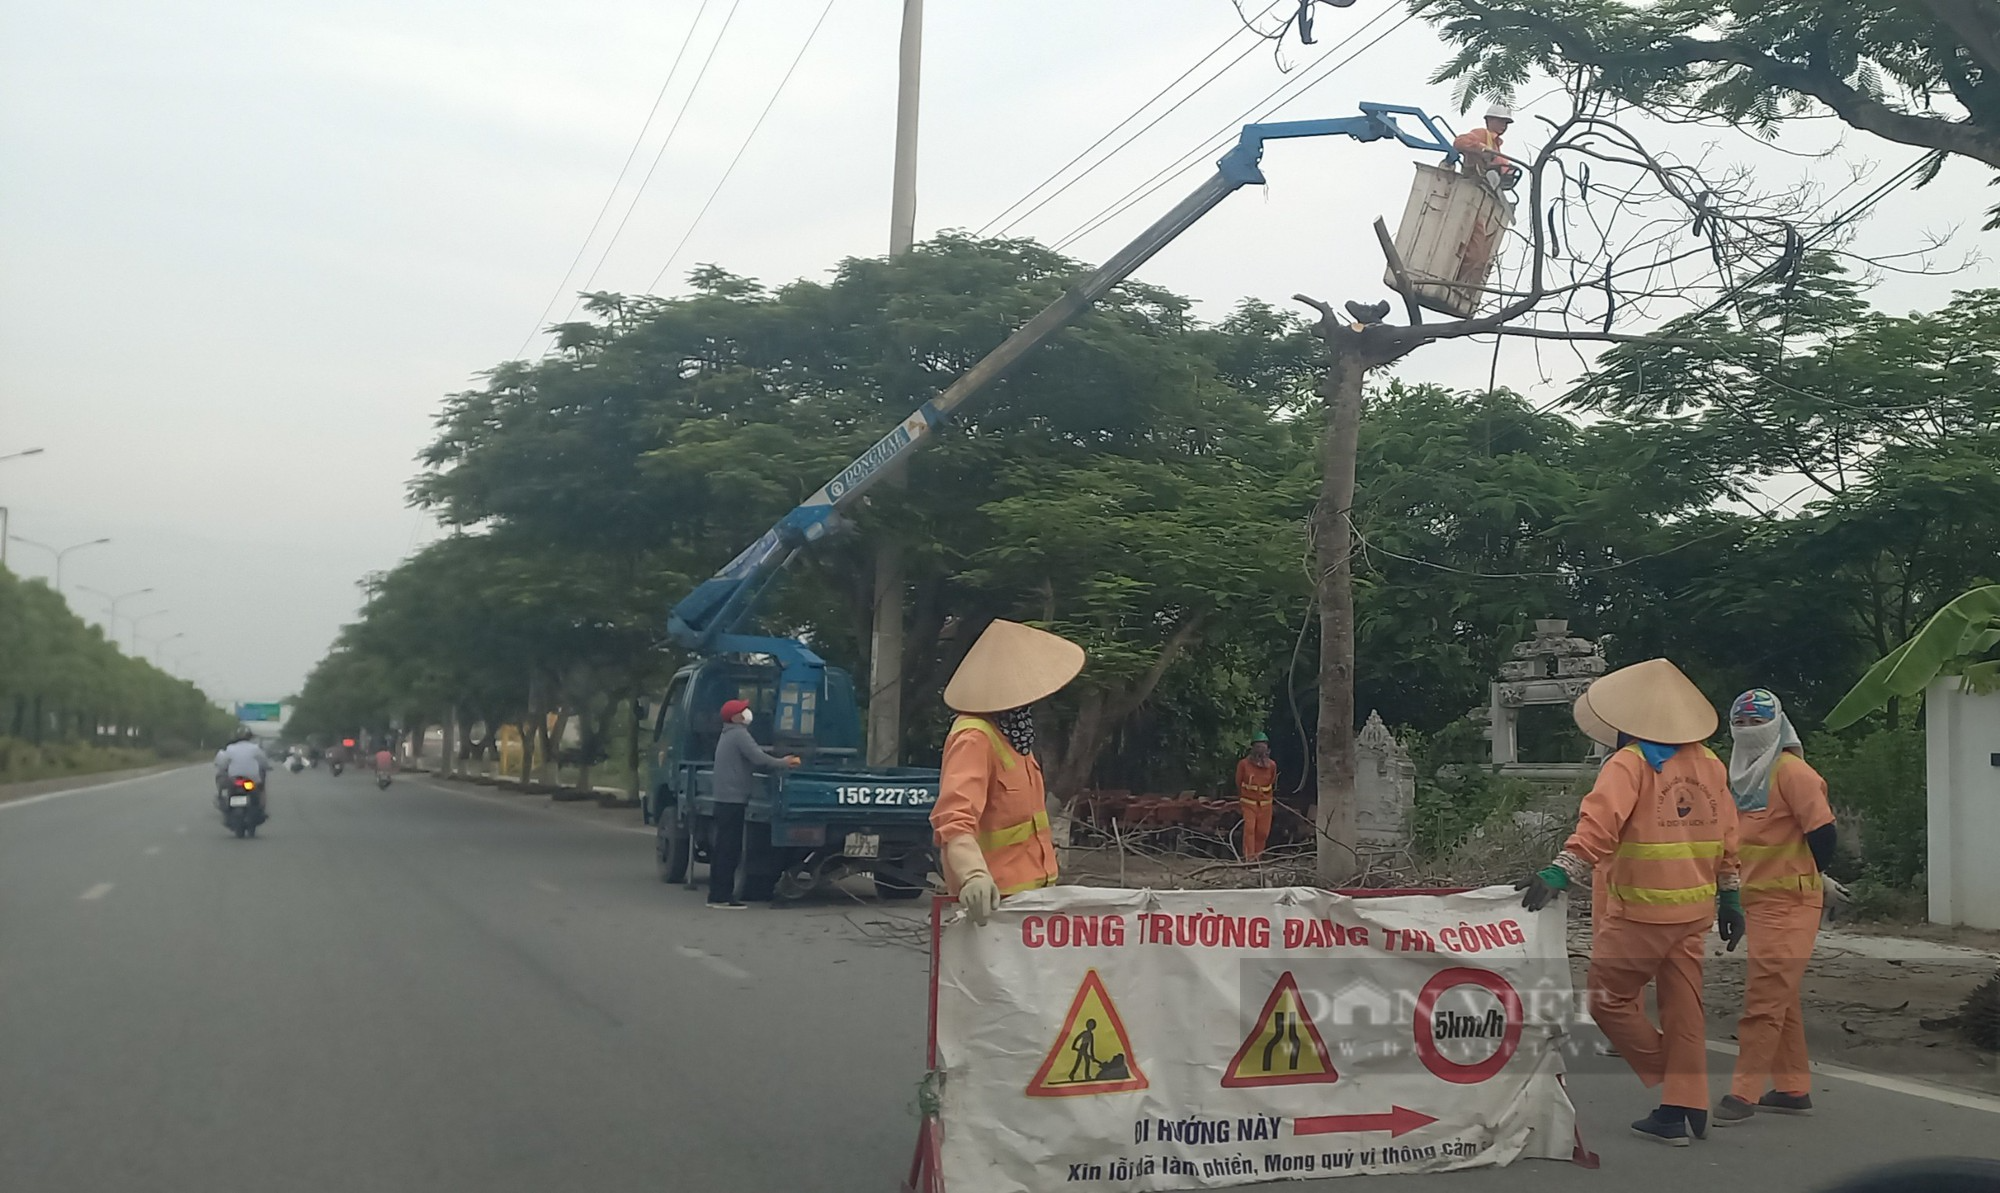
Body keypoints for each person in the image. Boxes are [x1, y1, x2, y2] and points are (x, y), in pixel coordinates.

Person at [1515, 658, 1741, 1146]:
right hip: (1695, 912)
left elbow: (1599, 825)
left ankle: (1680, 1088)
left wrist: (1563, 870)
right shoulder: (1710, 764)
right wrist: (1731, 896)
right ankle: (1683, 1103)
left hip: (1642, 910)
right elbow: (1728, 837)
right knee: (1685, 1009)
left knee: (1606, 998)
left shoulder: (1630, 763)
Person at [1714, 688, 1843, 1126]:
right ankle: (1792, 1088)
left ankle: (1743, 1093)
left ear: (1776, 726)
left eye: (1757, 722)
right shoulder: (1741, 776)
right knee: (1779, 998)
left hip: (1791, 903)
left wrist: (1810, 877)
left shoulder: (1793, 773)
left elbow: (1824, 835)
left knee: (1764, 999)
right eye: (1741, 723)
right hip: (1757, 901)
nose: (1748, 730)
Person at [930, 619, 1086, 925]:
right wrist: (973, 875)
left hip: (1032, 900)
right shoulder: (974, 737)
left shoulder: (1014, 736)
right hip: (993, 906)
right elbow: (954, 821)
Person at [708, 698, 800, 909]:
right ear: (735, 717)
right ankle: (722, 897)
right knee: (729, 850)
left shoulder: (728, 734)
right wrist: (784, 762)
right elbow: (758, 758)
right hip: (733, 800)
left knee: (723, 849)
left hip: (724, 799)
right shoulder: (739, 734)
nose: (748, 712)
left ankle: (717, 894)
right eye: (743, 710)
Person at [1235, 732, 1278, 861]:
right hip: (1248, 802)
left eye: (1263, 746)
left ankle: (1258, 858)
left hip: (1265, 804)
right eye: (1258, 746)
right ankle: (1249, 859)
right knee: (1249, 830)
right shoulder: (1243, 764)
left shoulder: (1272, 765)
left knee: (1263, 832)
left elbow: (1272, 781)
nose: (1261, 750)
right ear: (1252, 748)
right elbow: (1238, 782)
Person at [1452, 102, 1517, 183]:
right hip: (1474, 180)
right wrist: (1481, 149)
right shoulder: (1482, 134)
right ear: (1489, 120)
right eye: (1501, 121)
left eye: (1506, 123)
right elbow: (1459, 142)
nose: (1504, 125)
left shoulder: (1496, 144)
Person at [214, 727, 272, 804]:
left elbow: (223, 763)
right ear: (250, 737)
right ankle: (260, 806)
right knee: (260, 790)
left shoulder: (230, 748)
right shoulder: (255, 748)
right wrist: (267, 767)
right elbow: (263, 761)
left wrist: (224, 768)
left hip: (234, 778)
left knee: (227, 787)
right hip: (252, 779)